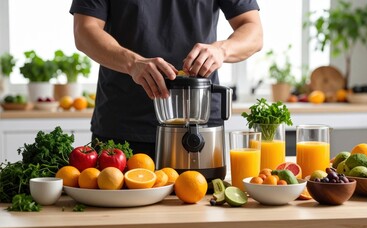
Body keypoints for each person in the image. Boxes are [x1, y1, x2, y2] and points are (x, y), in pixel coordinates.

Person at [70, 0, 263, 159]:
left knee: (201, 204)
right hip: (123, 125)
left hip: (199, 123)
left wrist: (221, 50)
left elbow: (253, 30)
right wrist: (132, 63)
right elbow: (84, 29)